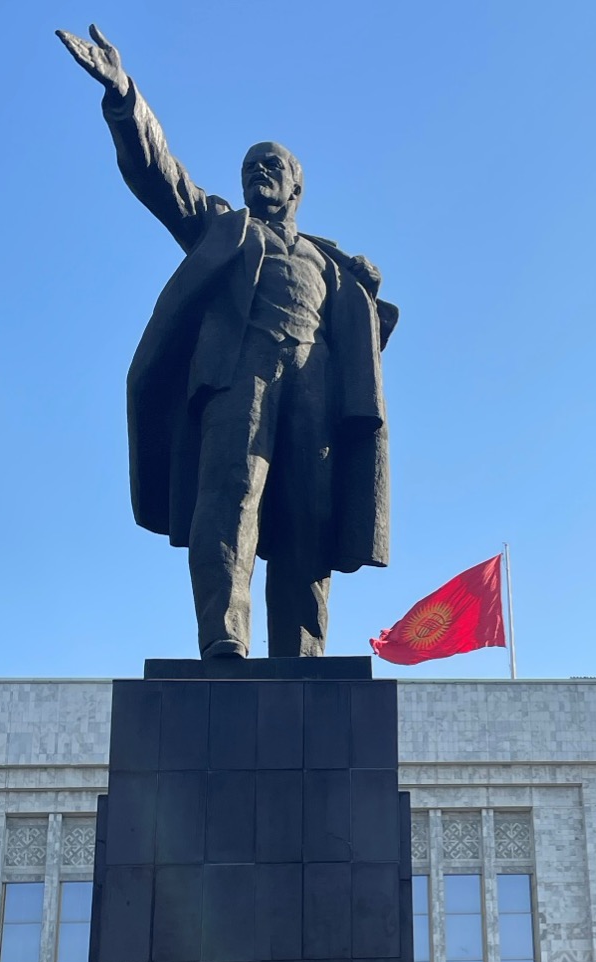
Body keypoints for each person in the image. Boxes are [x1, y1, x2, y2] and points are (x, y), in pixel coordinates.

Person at [56, 26, 397, 660]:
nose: (257, 173)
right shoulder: (223, 227)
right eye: (248, 167)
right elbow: (163, 178)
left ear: (297, 187)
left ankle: (300, 653)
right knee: (230, 501)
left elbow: (363, 357)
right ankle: (224, 636)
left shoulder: (331, 265)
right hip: (238, 379)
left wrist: (368, 302)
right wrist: (124, 95)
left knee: (306, 520)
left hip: (313, 391)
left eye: (271, 165)